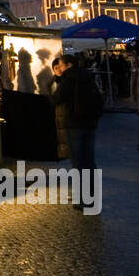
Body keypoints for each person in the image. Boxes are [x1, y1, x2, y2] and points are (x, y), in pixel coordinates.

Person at [51, 54, 103, 212]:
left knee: (78, 163)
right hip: (90, 124)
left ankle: (83, 199)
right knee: (89, 161)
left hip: (74, 124)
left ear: (68, 64)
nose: (58, 68)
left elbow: (57, 98)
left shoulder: (69, 77)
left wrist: (56, 83)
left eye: (60, 65)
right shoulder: (87, 76)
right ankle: (92, 197)